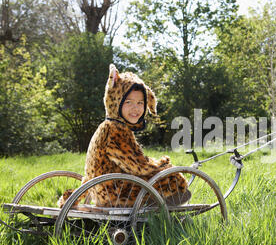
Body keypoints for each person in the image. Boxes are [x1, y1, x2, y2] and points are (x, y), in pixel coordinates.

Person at [58, 64, 189, 208]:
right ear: (116, 102)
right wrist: (160, 165)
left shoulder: (108, 126)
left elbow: (92, 176)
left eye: (140, 103)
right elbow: (136, 165)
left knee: (161, 175)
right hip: (117, 194)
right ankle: (157, 209)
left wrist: (77, 196)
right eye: (128, 102)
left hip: (107, 189)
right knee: (173, 178)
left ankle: (156, 204)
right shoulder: (116, 129)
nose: (136, 108)